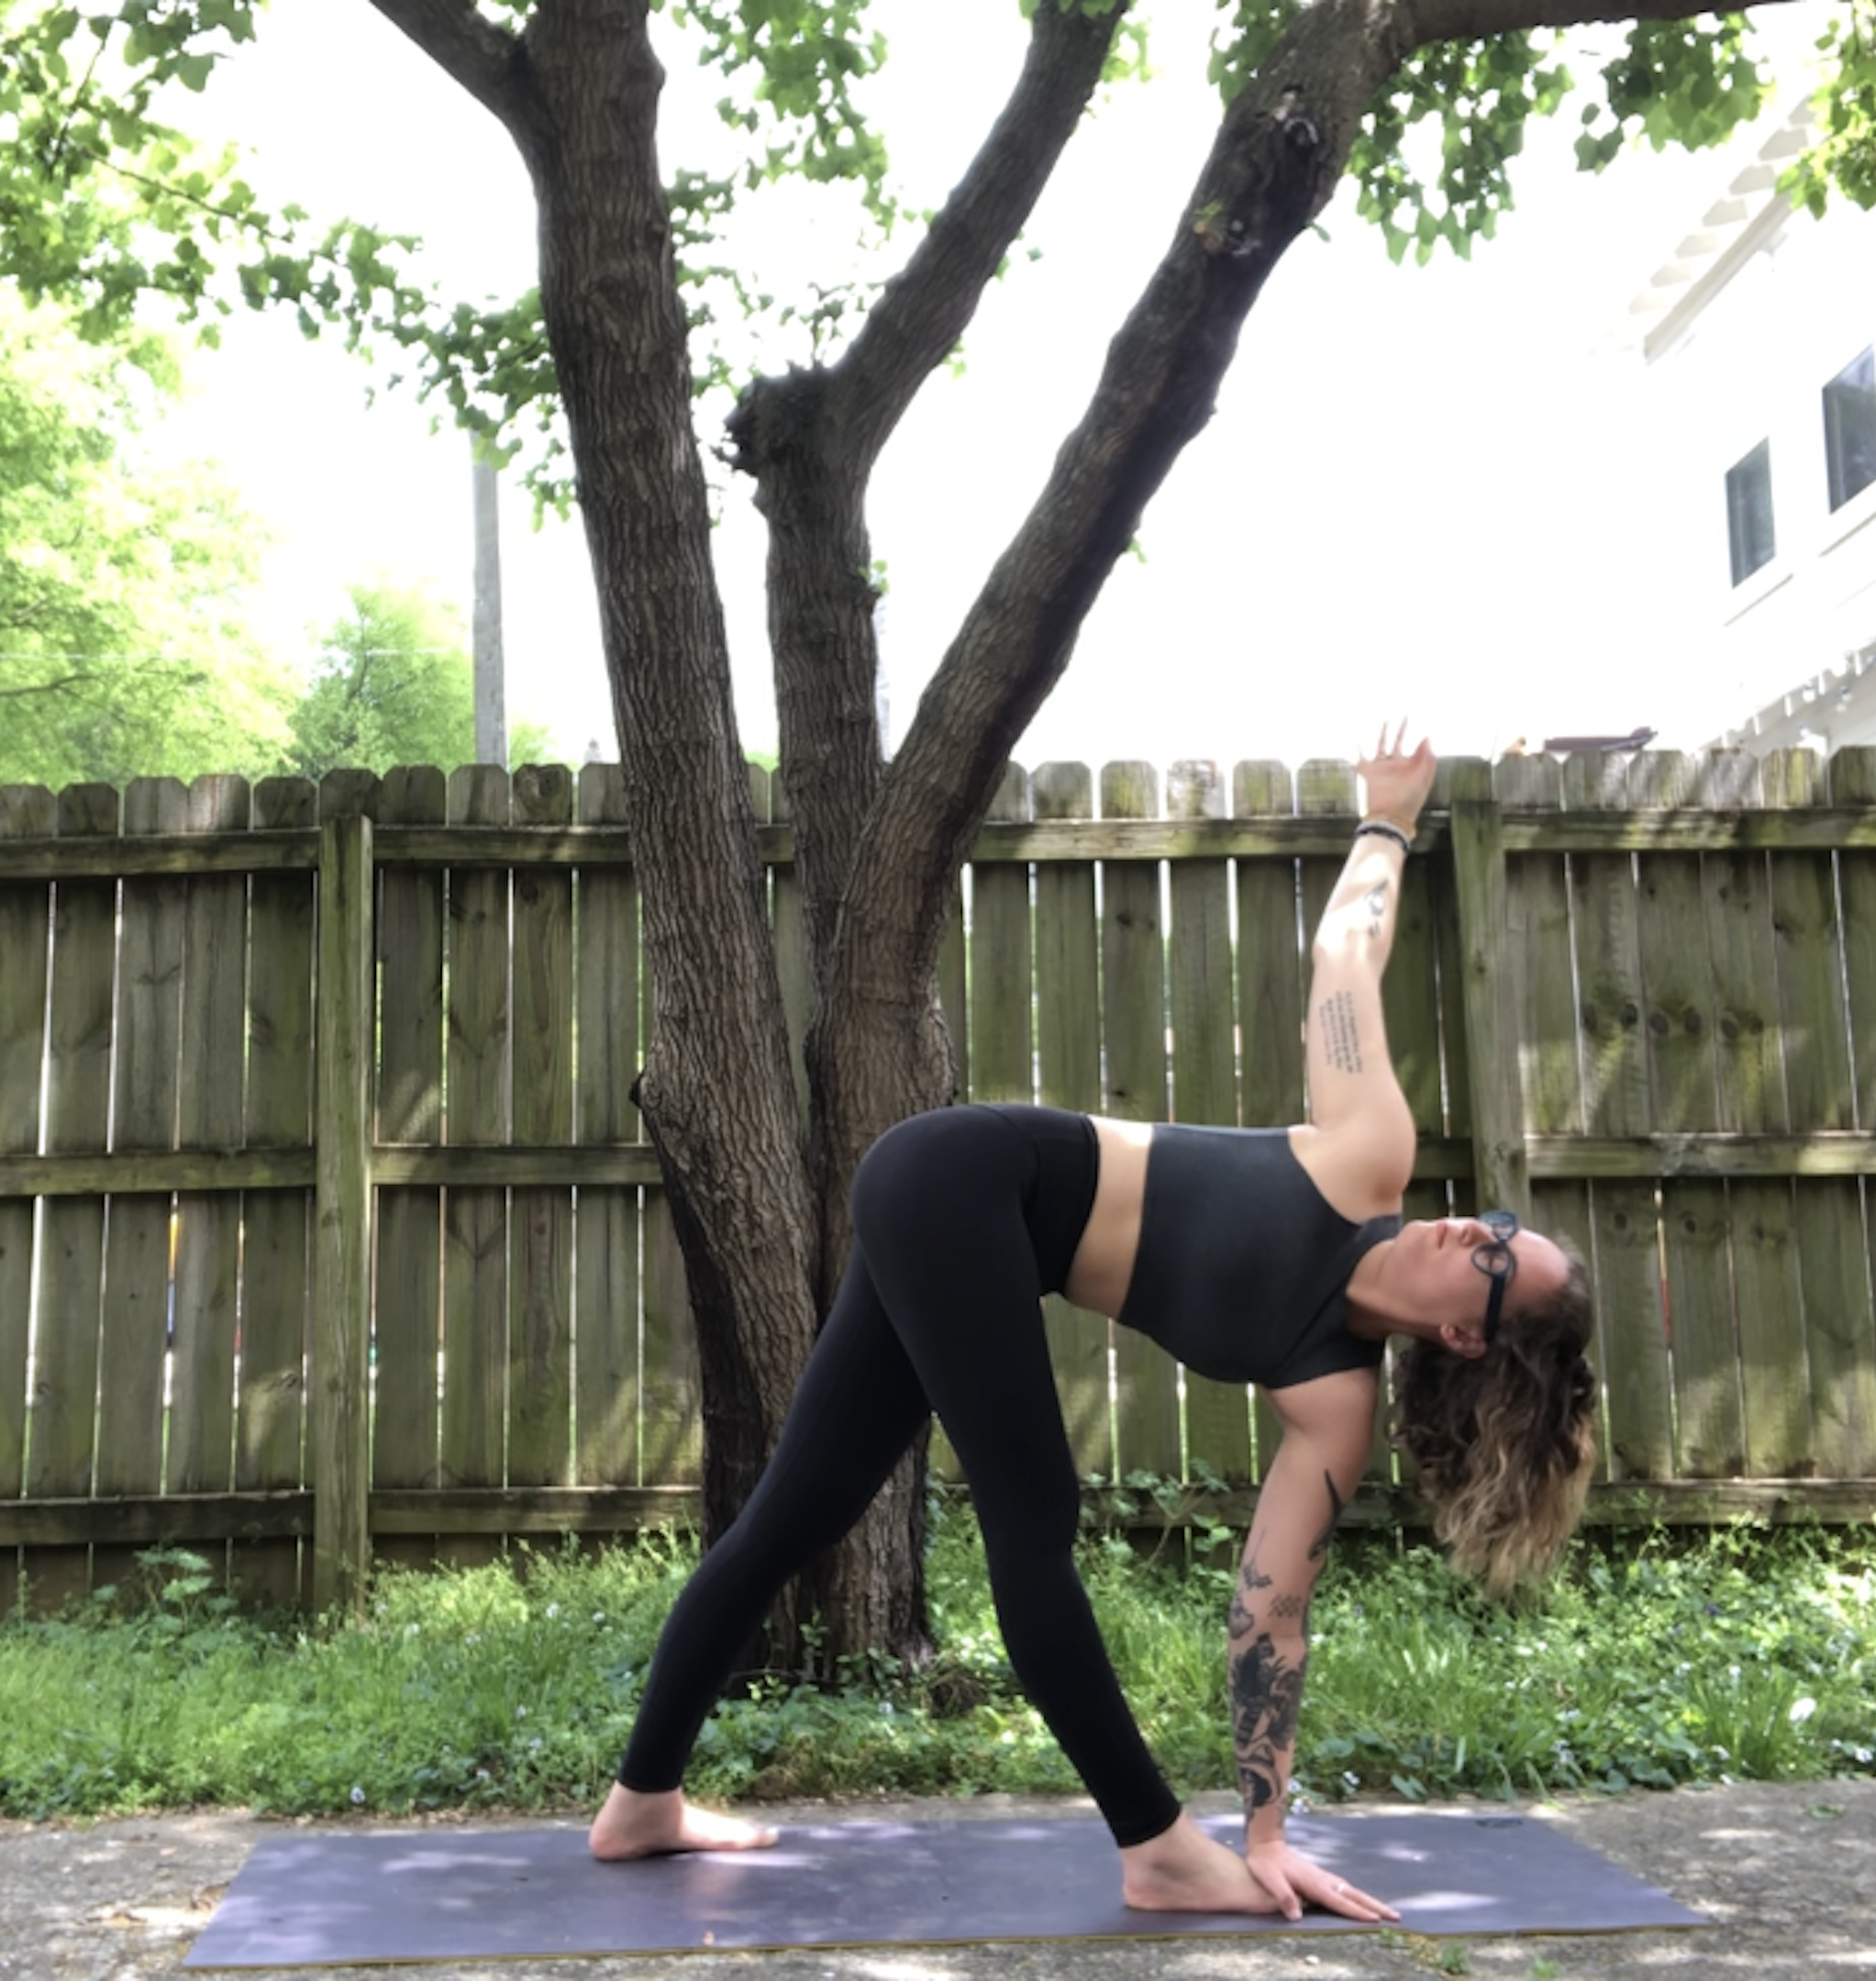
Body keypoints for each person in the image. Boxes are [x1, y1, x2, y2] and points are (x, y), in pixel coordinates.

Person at [586, 725, 1603, 1920]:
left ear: (1472, 1340)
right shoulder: (1368, 1148)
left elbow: (1271, 1609)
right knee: (1037, 1519)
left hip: (966, 1234)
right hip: (961, 1179)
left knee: (792, 1516)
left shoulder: (1333, 1397)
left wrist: (1268, 1830)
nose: (1464, 1231)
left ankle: (640, 1799)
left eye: (1493, 1260)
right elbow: (1343, 960)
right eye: (1491, 1219)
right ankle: (1156, 1846)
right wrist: (1387, 822)